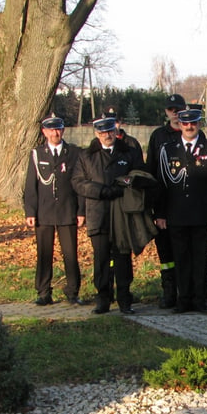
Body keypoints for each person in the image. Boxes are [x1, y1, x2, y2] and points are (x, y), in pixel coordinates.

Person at [153, 107, 207, 314]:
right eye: (185, 123)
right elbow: (161, 184)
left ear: (199, 123)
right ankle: (183, 299)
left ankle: (200, 300)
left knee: (201, 259)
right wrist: (160, 213)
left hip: (202, 213)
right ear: (180, 125)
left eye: (193, 123)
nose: (189, 126)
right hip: (176, 214)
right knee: (181, 258)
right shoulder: (167, 149)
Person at [71, 116, 145, 315]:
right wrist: (101, 190)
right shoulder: (86, 156)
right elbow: (78, 182)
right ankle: (103, 298)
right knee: (101, 259)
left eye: (110, 131)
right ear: (96, 134)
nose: (107, 135)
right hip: (99, 212)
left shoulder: (128, 152)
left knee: (122, 257)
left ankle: (124, 299)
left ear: (116, 130)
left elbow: (140, 175)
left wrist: (124, 185)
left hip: (122, 212)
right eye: (103, 133)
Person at [23, 115, 84, 306]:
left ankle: (72, 292)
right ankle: (43, 292)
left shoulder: (73, 153)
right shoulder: (37, 154)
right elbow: (30, 186)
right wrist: (30, 212)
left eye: (58, 129)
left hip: (68, 210)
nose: (55, 133)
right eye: (51, 130)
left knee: (70, 254)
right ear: (44, 132)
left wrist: (81, 211)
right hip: (44, 211)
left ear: (63, 130)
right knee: (44, 254)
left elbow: (79, 184)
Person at [145, 93, 186, 309]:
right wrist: (157, 210)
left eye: (179, 109)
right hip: (164, 204)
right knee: (167, 254)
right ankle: (169, 292)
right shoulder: (158, 136)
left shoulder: (192, 133)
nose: (176, 113)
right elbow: (151, 173)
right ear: (166, 112)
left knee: (185, 252)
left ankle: (187, 293)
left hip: (186, 205)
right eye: (172, 110)